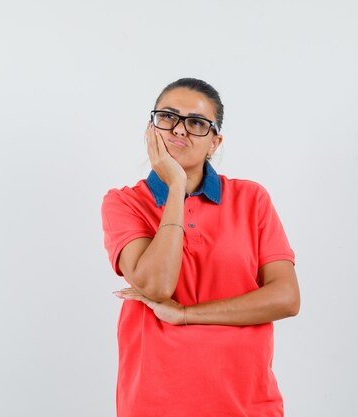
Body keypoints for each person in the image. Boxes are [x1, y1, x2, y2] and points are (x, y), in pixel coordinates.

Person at [100, 78, 300, 417]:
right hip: (155, 403)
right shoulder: (124, 203)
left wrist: (185, 315)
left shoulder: (251, 200)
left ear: (214, 142)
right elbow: (157, 285)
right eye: (168, 117)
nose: (179, 130)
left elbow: (286, 298)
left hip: (246, 403)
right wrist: (175, 185)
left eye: (196, 123)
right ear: (151, 128)